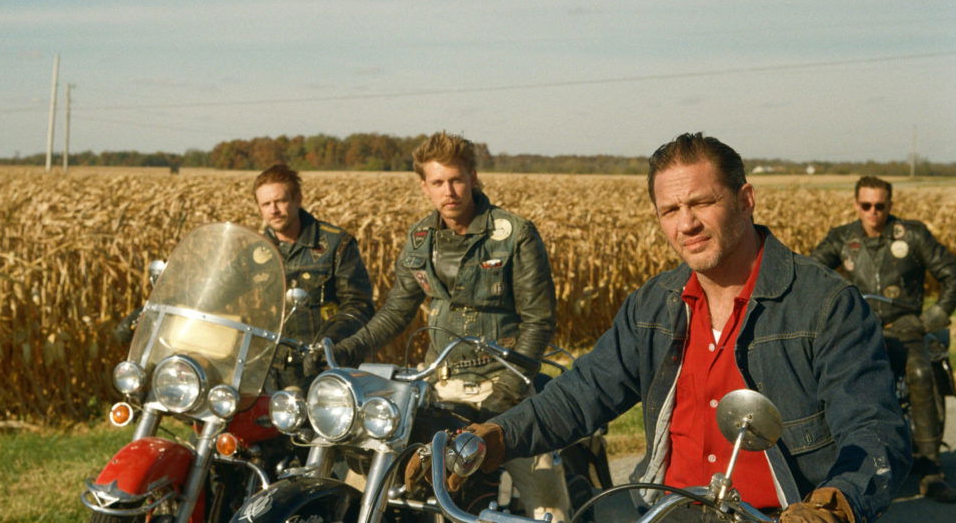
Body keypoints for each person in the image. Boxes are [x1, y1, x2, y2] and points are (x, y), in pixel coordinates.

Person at [413, 133, 911, 523]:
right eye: (670, 210)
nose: (686, 224)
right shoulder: (655, 304)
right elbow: (580, 393)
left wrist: (834, 506)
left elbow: (873, 430)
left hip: (779, 515)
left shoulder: (824, 305)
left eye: (701, 202)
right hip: (668, 514)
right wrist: (493, 439)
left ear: (745, 199)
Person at [334, 132, 570, 522]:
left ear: (473, 177)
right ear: (424, 186)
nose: (450, 191)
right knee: (370, 480)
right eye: (439, 182)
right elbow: (397, 310)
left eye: (457, 179)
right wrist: (349, 348)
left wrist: (508, 395)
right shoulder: (420, 240)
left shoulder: (513, 235)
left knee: (546, 499)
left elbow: (538, 321)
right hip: (439, 388)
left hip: (506, 385)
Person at [812, 175, 956, 503]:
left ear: (890, 206)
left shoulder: (913, 234)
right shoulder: (842, 238)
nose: (873, 212)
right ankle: (830, 465)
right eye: (866, 205)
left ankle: (930, 470)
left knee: (921, 374)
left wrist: (932, 318)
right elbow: (812, 274)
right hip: (858, 329)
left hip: (905, 328)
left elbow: (953, 273)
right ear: (856, 205)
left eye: (880, 206)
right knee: (823, 376)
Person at [253, 163, 375, 390]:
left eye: (280, 201)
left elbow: (359, 305)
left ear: (298, 199)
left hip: (322, 369)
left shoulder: (335, 244)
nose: (274, 210)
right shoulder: (253, 251)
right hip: (267, 371)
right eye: (266, 204)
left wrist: (328, 344)